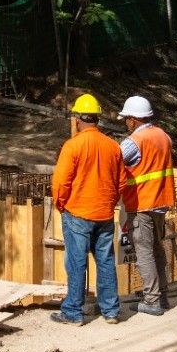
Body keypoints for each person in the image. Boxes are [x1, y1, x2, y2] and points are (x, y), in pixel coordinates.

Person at [50, 93, 128, 326]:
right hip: (104, 214)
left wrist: (60, 203)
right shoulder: (113, 146)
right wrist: (109, 201)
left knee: (76, 262)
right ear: (97, 119)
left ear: (77, 119)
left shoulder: (73, 145)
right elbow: (121, 182)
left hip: (78, 213)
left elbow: (61, 181)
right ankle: (111, 311)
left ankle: (73, 312)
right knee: (105, 261)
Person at [117, 96, 175, 317]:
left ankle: (152, 300)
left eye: (126, 120)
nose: (125, 124)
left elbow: (115, 161)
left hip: (142, 203)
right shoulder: (164, 136)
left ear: (133, 120)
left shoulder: (134, 142)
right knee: (157, 249)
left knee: (144, 252)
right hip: (161, 202)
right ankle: (162, 295)